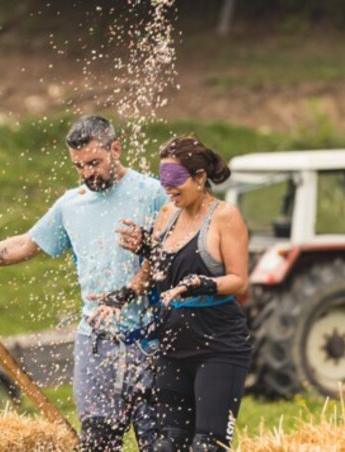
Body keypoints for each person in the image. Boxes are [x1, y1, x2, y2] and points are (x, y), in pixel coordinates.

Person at [0, 115, 168, 451]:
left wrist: (148, 250)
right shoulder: (72, 204)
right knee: (97, 441)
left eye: (94, 163)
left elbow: (179, 252)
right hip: (97, 342)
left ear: (116, 148)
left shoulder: (153, 193)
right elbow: (27, 244)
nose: (88, 173)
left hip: (151, 341)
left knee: (161, 443)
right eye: (79, 166)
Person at [92, 136, 252, 451]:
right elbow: (156, 267)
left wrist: (203, 283)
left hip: (217, 346)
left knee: (207, 445)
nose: (169, 188)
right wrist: (124, 293)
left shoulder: (224, 217)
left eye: (176, 180)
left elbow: (240, 280)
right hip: (173, 346)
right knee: (167, 445)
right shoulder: (167, 214)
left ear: (200, 177)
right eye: (164, 180)